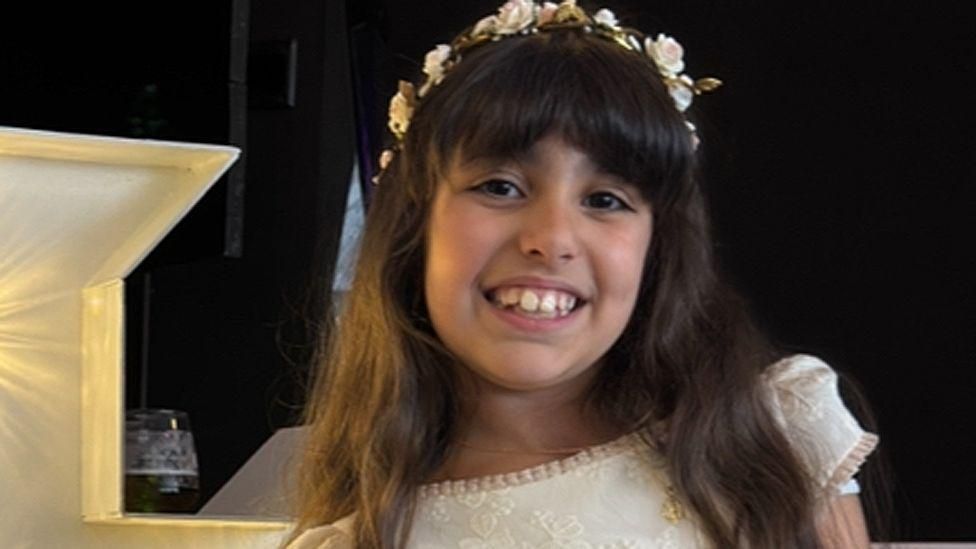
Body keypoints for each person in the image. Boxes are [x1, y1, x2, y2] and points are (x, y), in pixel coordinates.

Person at [287, 1, 879, 547]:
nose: (551, 240)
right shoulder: (365, 538)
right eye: (500, 187)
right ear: (414, 224)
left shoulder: (769, 443)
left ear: (658, 246)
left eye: (605, 200)